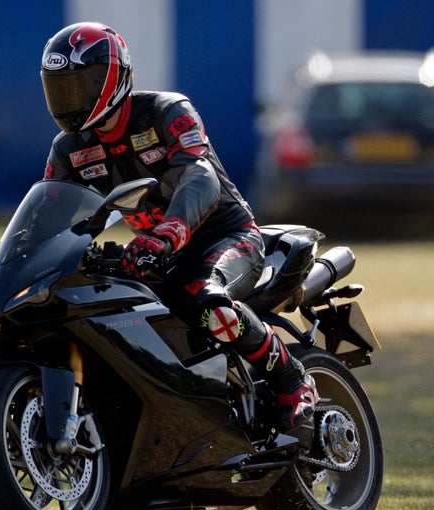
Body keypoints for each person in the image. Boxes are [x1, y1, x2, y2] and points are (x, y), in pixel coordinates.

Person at [40, 22, 314, 430]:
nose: (70, 99)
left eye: (81, 84)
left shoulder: (167, 111)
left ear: (113, 78)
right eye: (60, 87)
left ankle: (293, 380)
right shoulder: (69, 149)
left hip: (227, 236)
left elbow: (199, 174)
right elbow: (50, 208)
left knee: (206, 302)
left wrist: (170, 231)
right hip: (156, 253)